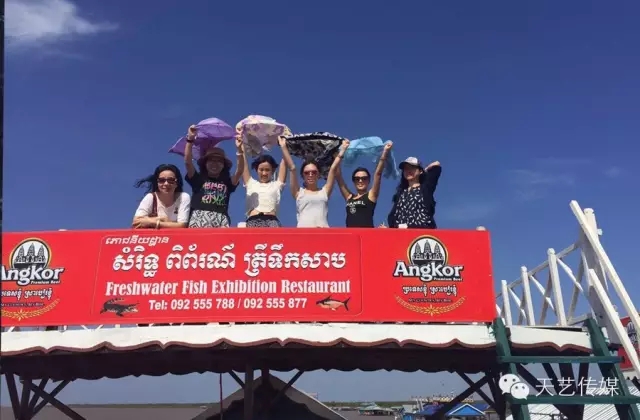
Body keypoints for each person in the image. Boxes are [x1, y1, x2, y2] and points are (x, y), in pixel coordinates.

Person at [183, 125, 244, 228]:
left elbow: (239, 171)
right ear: (205, 163)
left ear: (224, 165)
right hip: (198, 218)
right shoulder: (198, 179)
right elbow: (188, 162)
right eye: (211, 160)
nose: (215, 164)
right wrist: (190, 139)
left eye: (219, 161)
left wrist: (239, 150)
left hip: (221, 219)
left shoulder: (227, 182)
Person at [285, 139, 350, 228]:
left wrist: (343, 150)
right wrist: (284, 147)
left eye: (314, 172)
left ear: (318, 174)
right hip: (303, 233)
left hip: (323, 233)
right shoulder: (298, 192)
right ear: (302, 175)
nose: (310, 175)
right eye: (307, 173)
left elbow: (333, 169)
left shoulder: (324, 192)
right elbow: (292, 168)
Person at [336, 142, 393, 227]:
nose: (360, 181)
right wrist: (340, 152)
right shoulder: (349, 197)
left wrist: (385, 152)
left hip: (367, 234)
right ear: (353, 181)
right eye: (357, 179)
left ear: (369, 180)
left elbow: (378, 174)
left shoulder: (371, 195)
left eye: (364, 178)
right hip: (351, 234)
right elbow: (338, 176)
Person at [240, 134, 291, 227]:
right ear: (256, 170)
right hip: (253, 221)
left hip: (272, 221)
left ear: (273, 171)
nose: (264, 173)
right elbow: (243, 163)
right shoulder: (250, 183)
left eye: (267, 170)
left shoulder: (277, 185)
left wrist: (284, 145)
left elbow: (285, 162)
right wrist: (241, 145)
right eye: (261, 170)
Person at [386, 157, 442, 229]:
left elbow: (437, 165)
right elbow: (394, 216)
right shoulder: (401, 192)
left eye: (412, 168)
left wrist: (425, 170)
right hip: (401, 233)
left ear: (420, 171)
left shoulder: (426, 188)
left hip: (422, 232)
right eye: (406, 169)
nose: (408, 171)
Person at [132, 164, 190, 229]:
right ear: (157, 183)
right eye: (162, 180)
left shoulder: (183, 197)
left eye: (171, 180)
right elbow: (135, 222)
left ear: (177, 183)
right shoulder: (151, 197)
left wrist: (152, 222)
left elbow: (182, 226)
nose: (166, 183)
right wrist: (161, 219)